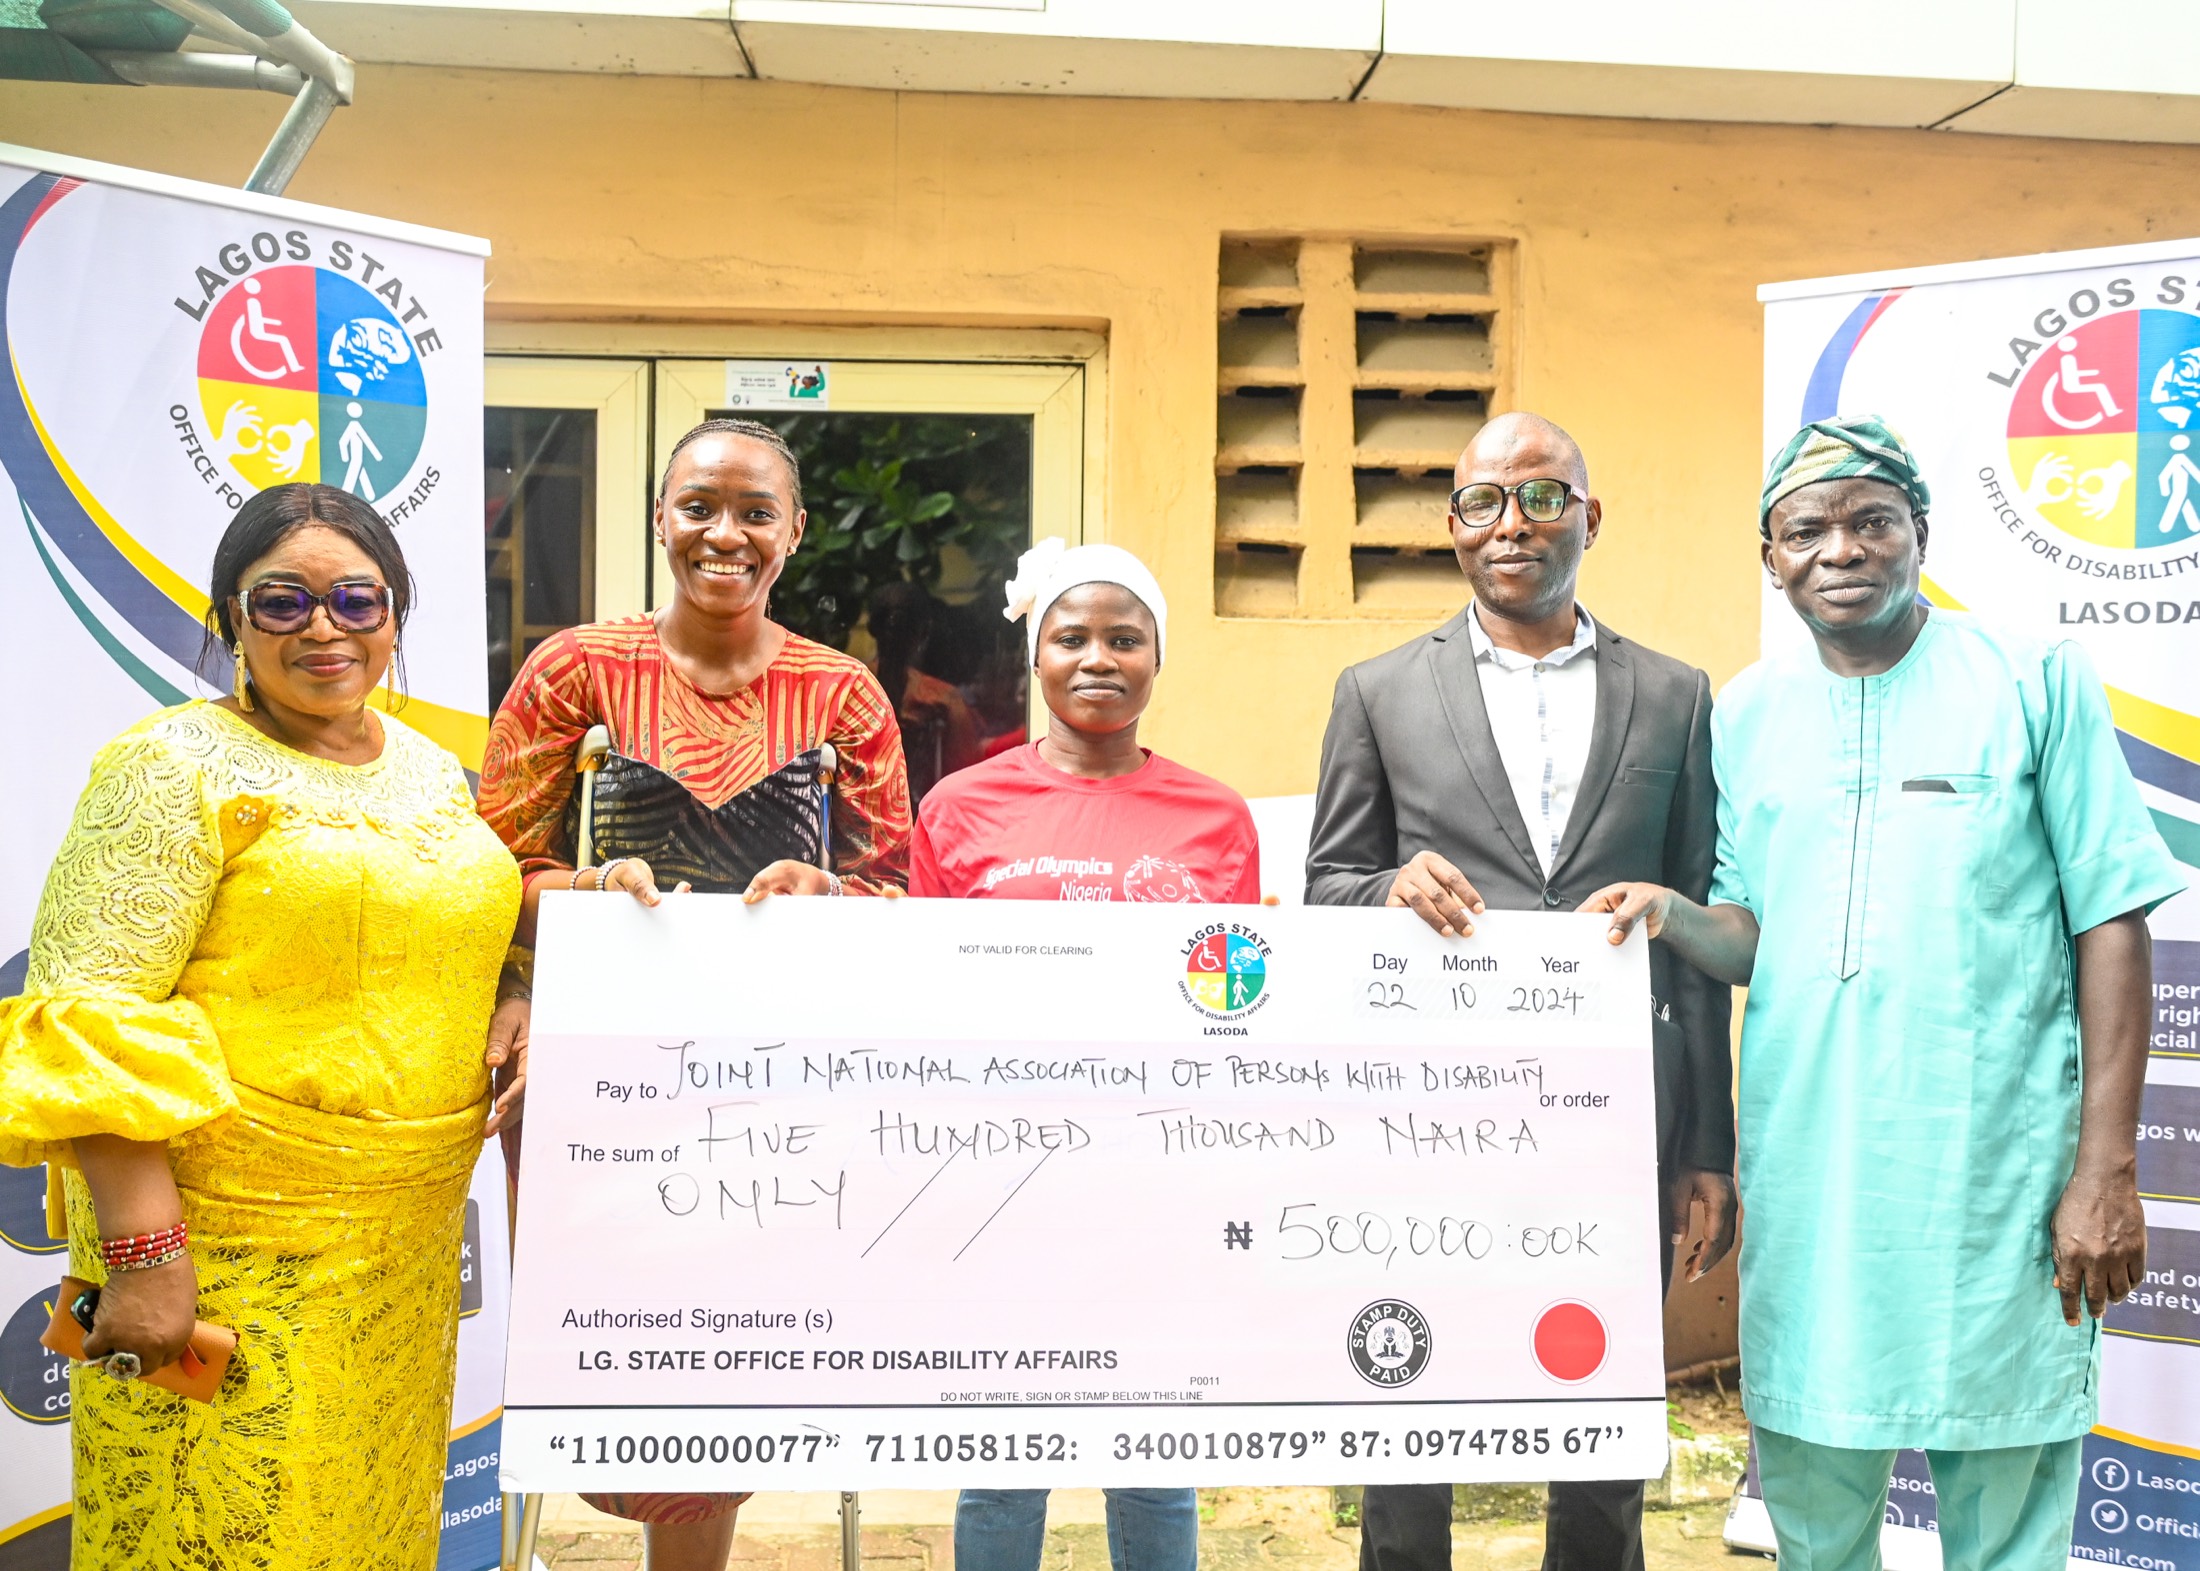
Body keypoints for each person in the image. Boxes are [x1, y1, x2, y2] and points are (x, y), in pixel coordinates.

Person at [1588, 417, 2183, 1571]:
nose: (1840, 549)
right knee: (1817, 1518)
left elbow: (2111, 918)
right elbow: (1758, 934)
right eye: (1806, 528)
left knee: (2006, 1525)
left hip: (1996, 1187)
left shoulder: (2031, 678)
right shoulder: (1746, 711)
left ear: (1921, 532)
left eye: (1871, 520)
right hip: (1817, 1189)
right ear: (1770, 556)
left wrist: (2105, 1172)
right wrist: (1670, 913)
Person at [0, 483, 527, 1568]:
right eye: (282, 601)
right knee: (219, 1532)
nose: (324, 627)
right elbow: (89, 1017)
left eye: (356, 599)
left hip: (402, 1251)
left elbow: (438, 932)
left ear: (395, 613)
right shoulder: (170, 765)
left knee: (369, 1527)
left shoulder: (429, 768)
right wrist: (147, 1254)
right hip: (223, 1250)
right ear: (232, 617)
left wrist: (511, 991)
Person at [478, 416, 913, 1571]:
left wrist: (827, 891)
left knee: (728, 1355)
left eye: (755, 512)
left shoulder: (842, 694)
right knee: (604, 1344)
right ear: (660, 517)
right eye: (700, 507)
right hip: (599, 1078)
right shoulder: (575, 669)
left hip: (776, 1083)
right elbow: (488, 872)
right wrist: (585, 890)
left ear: (795, 530)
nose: (726, 534)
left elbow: (894, 891)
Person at [1305, 411, 1736, 1571]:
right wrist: (1389, 885)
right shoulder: (1378, 691)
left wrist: (1708, 1144)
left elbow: (1693, 929)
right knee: (1410, 1387)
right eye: (1483, 501)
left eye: (1542, 497)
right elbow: (1326, 890)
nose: (1512, 523)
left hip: (1618, 1116)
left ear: (1589, 517)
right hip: (1427, 1114)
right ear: (1452, 526)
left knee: (1598, 1407)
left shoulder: (1675, 694)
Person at [913, 536, 1254, 1571]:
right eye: (1071, 637)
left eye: (1124, 637)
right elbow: (920, 1003)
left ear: (1158, 655)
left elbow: (1234, 1005)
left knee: (1155, 1453)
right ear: (1036, 654)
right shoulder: (958, 808)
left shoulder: (1219, 817)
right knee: (1004, 1458)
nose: (1097, 657)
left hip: (1159, 1176)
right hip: (1000, 1176)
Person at [868, 579, 981, 801]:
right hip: (923, 812)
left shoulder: (847, 688)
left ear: (873, 629)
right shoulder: (944, 698)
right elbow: (966, 772)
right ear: (924, 632)